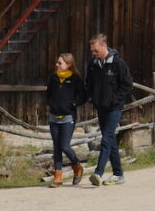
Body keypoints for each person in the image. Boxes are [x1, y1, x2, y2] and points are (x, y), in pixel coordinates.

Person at [85, 33, 133, 186]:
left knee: (106, 138)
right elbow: (89, 84)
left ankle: (98, 173)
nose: (93, 53)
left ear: (104, 46)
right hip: (101, 107)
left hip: (114, 108)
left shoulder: (118, 63)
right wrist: (92, 98)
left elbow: (127, 85)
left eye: (95, 50)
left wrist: (115, 100)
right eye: (92, 51)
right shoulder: (93, 65)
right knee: (110, 139)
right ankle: (118, 174)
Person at [46, 53, 87, 187]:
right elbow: (48, 95)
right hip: (53, 118)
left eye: (60, 63)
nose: (57, 65)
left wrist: (73, 104)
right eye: (57, 63)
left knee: (64, 146)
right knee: (56, 148)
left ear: (68, 65)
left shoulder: (75, 79)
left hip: (68, 118)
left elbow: (83, 96)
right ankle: (58, 177)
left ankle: (77, 166)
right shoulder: (53, 78)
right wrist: (51, 104)